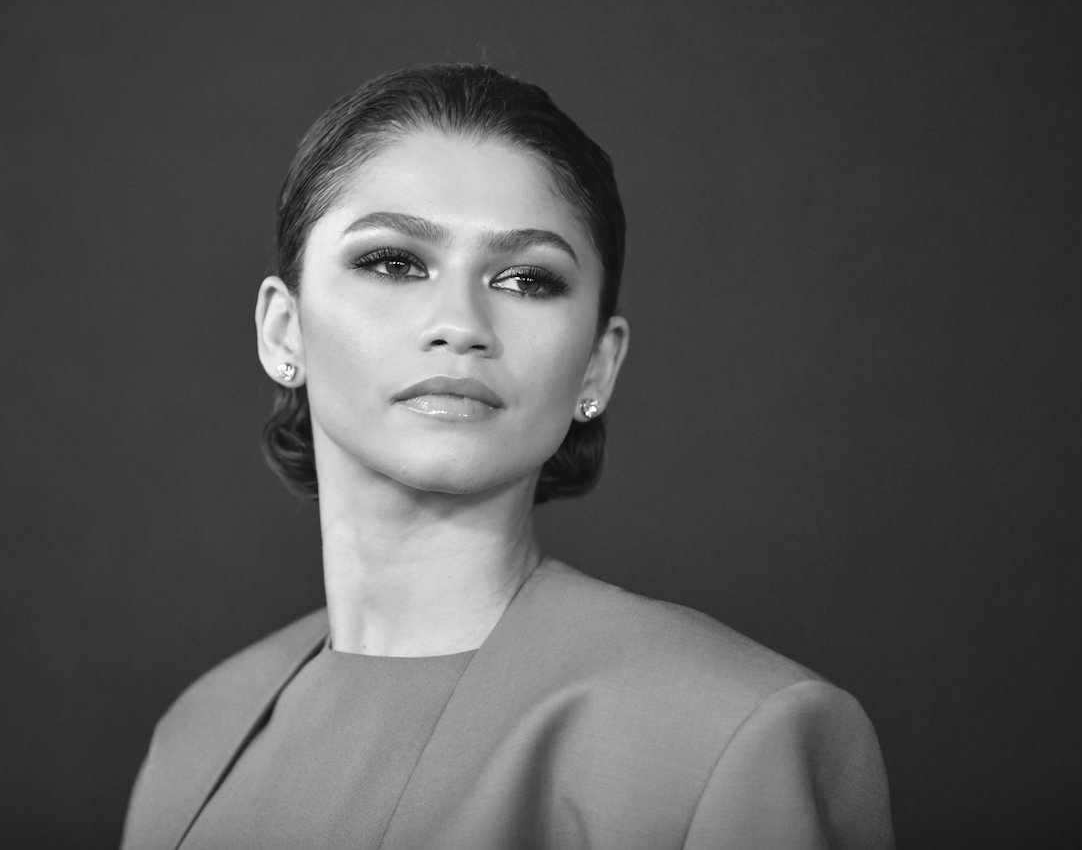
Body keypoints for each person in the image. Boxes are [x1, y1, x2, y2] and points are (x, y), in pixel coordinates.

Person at [120, 64, 894, 850]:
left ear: (597, 364)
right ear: (283, 331)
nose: (460, 322)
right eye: (394, 262)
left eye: (527, 279)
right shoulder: (196, 738)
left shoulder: (736, 733)